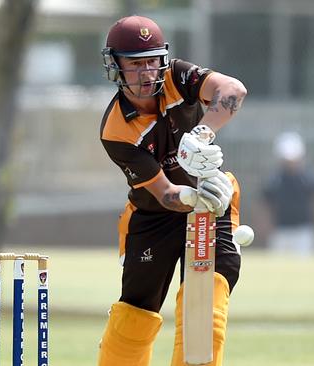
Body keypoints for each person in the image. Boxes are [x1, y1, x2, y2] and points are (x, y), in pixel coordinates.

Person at [97, 16, 247, 366]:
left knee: (206, 310)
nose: (147, 72)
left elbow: (233, 90)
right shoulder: (116, 129)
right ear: (115, 66)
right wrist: (195, 197)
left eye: (152, 60)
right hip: (154, 216)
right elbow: (164, 194)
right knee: (136, 312)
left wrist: (202, 135)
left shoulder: (177, 77)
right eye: (135, 63)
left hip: (213, 205)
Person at [261, 132, 314, 256]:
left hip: (304, 231)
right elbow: (266, 204)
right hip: (280, 230)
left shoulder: (308, 178)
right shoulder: (274, 180)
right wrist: (265, 226)